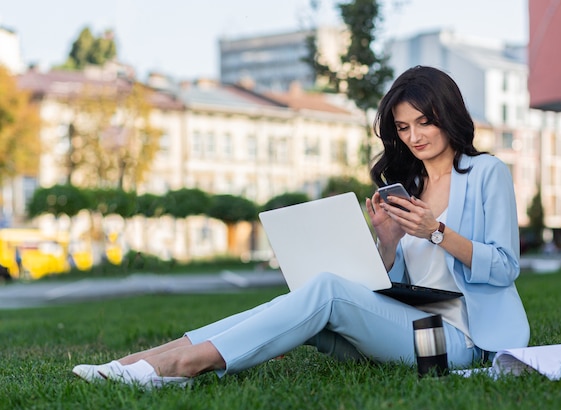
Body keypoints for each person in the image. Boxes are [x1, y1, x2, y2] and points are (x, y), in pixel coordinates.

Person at [72, 66, 530, 389]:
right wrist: (387, 244)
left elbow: (506, 266)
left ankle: (183, 365)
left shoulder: (487, 172)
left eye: (424, 122)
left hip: (461, 343)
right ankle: (138, 362)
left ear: (448, 115)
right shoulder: (409, 185)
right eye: (404, 127)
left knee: (326, 291)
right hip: (410, 327)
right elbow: (401, 289)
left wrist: (436, 232)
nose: (414, 137)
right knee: (306, 294)